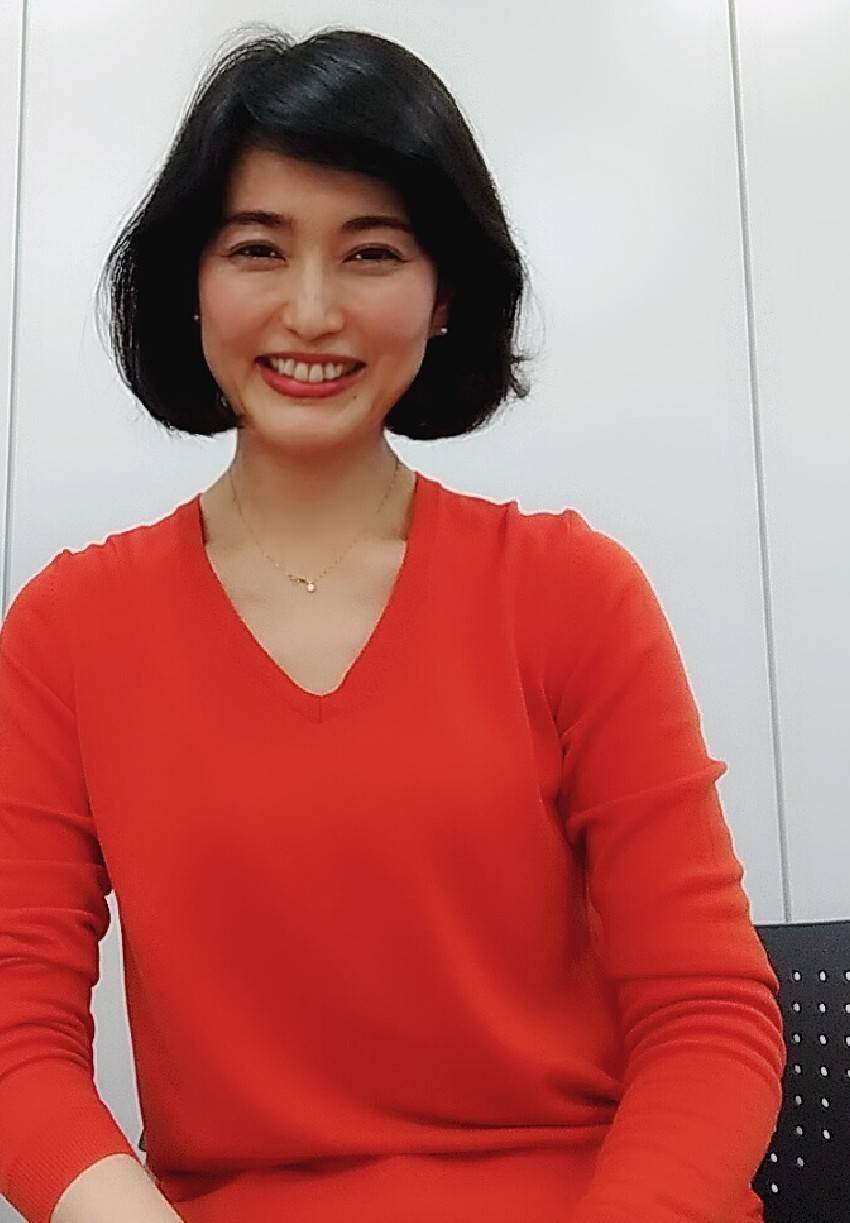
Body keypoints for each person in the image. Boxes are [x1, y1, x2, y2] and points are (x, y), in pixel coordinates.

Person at [0, 23, 786, 1223]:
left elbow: (707, 1012)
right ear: (190, 283)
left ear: (445, 292)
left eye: (371, 252)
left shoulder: (571, 592)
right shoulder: (70, 631)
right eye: (258, 248)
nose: (312, 309)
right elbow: (15, 1028)